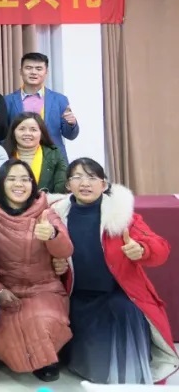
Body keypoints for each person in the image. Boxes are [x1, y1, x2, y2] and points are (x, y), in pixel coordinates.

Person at [50, 158, 179, 384]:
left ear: (104, 184)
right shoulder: (56, 216)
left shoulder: (120, 214)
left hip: (115, 293)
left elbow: (161, 248)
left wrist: (142, 249)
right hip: (76, 296)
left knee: (126, 311)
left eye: (92, 177)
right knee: (93, 366)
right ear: (68, 185)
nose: (85, 183)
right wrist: (56, 264)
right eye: (77, 177)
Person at [0, 160, 71, 382]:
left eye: (25, 179)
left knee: (42, 319)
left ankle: (47, 359)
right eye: (11, 179)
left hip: (43, 288)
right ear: (0, 183)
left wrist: (52, 235)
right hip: (6, 289)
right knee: (5, 330)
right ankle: (29, 357)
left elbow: (66, 249)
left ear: (33, 184)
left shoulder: (46, 213)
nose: (19, 184)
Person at [3, 52, 79, 160]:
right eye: (28, 68)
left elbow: (70, 135)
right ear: (21, 71)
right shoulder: (8, 100)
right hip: (19, 159)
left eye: (39, 69)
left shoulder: (59, 100)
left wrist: (72, 123)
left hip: (53, 160)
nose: (33, 72)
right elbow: (3, 135)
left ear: (46, 72)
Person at [2, 112, 67, 193]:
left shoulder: (54, 154)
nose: (27, 133)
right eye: (22, 129)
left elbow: (61, 187)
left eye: (33, 130)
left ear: (41, 133)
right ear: (13, 132)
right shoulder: (2, 154)